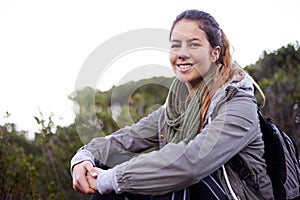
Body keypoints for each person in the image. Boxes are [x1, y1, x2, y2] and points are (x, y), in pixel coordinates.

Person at [71, 9, 274, 199]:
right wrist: (85, 156)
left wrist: (110, 179)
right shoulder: (176, 108)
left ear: (214, 53)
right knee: (116, 178)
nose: (181, 53)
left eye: (194, 44)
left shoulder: (239, 104)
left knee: (172, 177)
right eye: (176, 45)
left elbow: (192, 163)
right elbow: (127, 138)